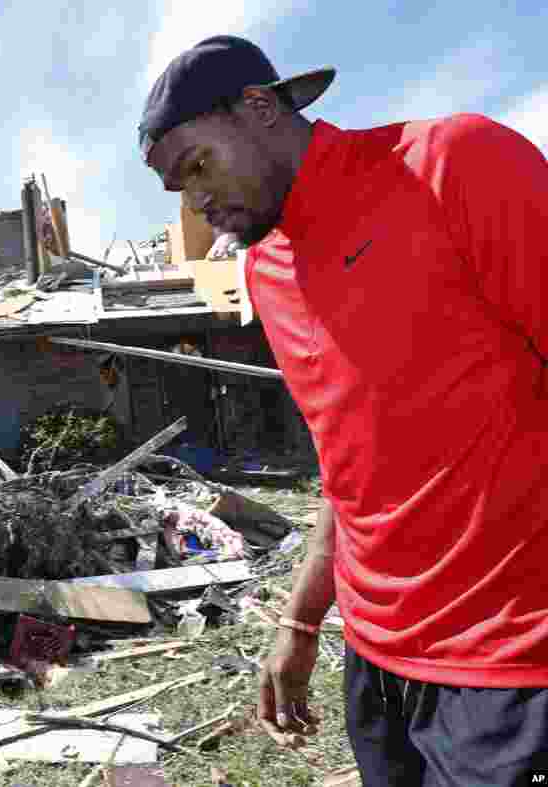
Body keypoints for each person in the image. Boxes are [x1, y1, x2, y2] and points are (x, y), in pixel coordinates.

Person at [139, 35, 548, 786]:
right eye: (177, 188)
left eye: (198, 164)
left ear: (260, 108)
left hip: (510, 660)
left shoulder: (452, 165)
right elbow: (344, 463)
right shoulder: (266, 270)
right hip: (377, 663)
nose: (196, 200)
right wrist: (300, 623)